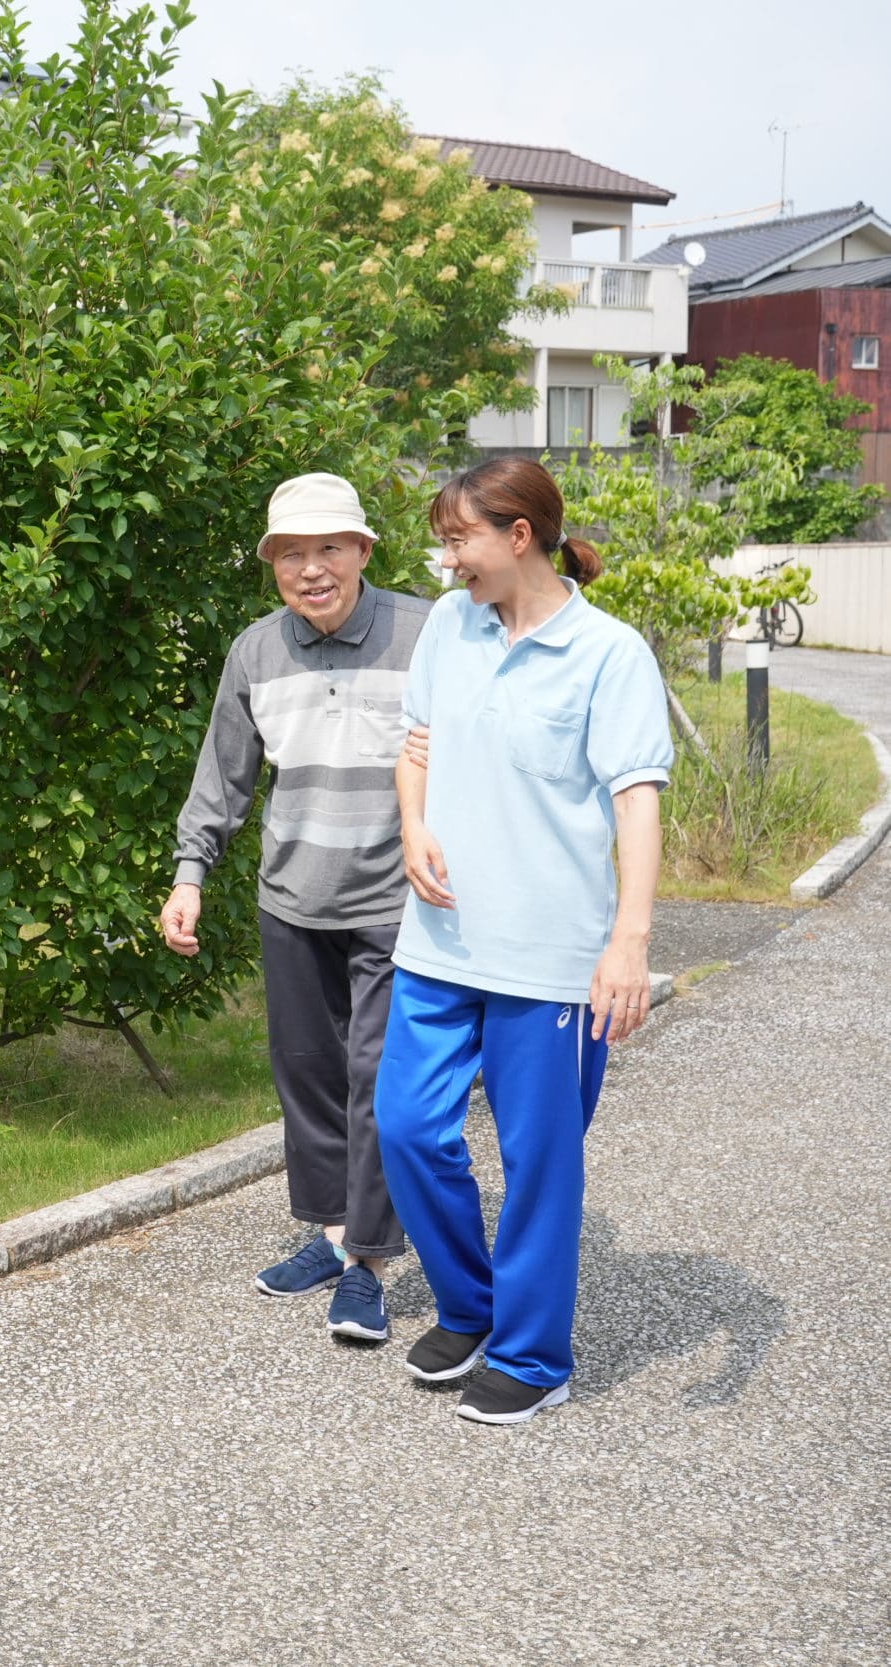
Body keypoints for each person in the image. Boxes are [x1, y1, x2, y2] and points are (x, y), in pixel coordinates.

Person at [378, 456, 671, 1426]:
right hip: (439, 941)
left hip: (550, 957)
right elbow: (415, 743)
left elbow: (635, 801)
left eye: (458, 536)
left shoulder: (607, 652)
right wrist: (414, 821)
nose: (446, 554)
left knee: (541, 1157)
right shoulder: (446, 630)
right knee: (409, 1127)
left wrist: (628, 941)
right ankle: (469, 1301)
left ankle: (534, 1353)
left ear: (517, 535)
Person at [163, 472, 429, 1345]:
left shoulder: (428, 634)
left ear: (362, 550)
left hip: (400, 902)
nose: (311, 569)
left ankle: (367, 1263)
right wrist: (190, 874)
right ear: (272, 565)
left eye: (328, 548)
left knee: (378, 1081)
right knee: (308, 1076)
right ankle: (326, 1231)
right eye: (291, 554)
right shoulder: (256, 652)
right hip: (293, 899)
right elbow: (223, 778)